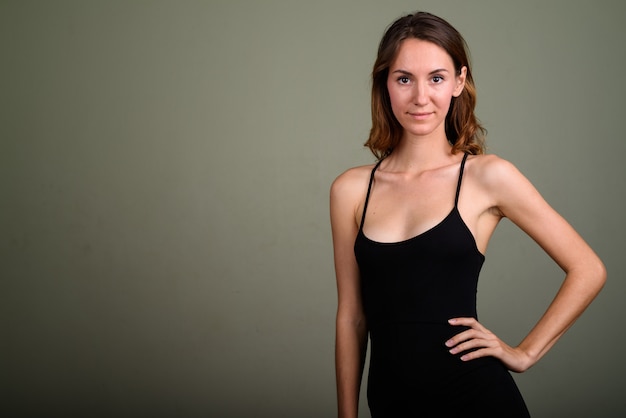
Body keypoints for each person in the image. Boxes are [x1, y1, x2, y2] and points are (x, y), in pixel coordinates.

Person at [330, 11, 606, 417]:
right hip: (390, 402)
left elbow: (588, 268)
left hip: (477, 399)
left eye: (436, 78)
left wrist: (525, 353)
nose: (420, 97)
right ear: (385, 84)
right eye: (404, 78)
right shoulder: (351, 189)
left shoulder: (488, 177)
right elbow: (352, 317)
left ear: (459, 82)